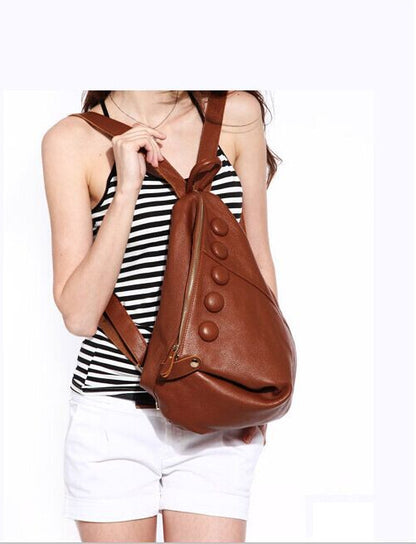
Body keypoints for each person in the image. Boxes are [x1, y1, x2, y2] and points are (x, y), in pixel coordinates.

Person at [41, 90, 282, 543]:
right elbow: (79, 316)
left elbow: (258, 261)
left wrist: (262, 379)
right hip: (115, 415)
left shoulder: (235, 114)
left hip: (217, 409)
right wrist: (126, 189)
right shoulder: (71, 140)